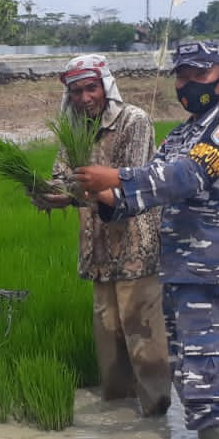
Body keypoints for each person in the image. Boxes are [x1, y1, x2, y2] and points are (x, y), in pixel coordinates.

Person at [73, 41, 219, 439]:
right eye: (182, 76)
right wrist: (104, 196)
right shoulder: (183, 133)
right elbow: (145, 193)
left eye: (198, 76)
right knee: (184, 372)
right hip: (176, 271)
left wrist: (117, 174)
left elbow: (185, 177)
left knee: (206, 376)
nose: (187, 84)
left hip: (209, 273)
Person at [36, 54, 171, 416]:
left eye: (90, 88)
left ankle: (156, 418)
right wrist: (50, 195)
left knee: (144, 342)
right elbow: (63, 175)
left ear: (105, 87)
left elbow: (130, 183)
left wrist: (75, 193)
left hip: (136, 248)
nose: (84, 98)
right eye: (76, 91)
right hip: (96, 251)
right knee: (108, 342)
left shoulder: (134, 120)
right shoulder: (74, 128)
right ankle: (119, 425)